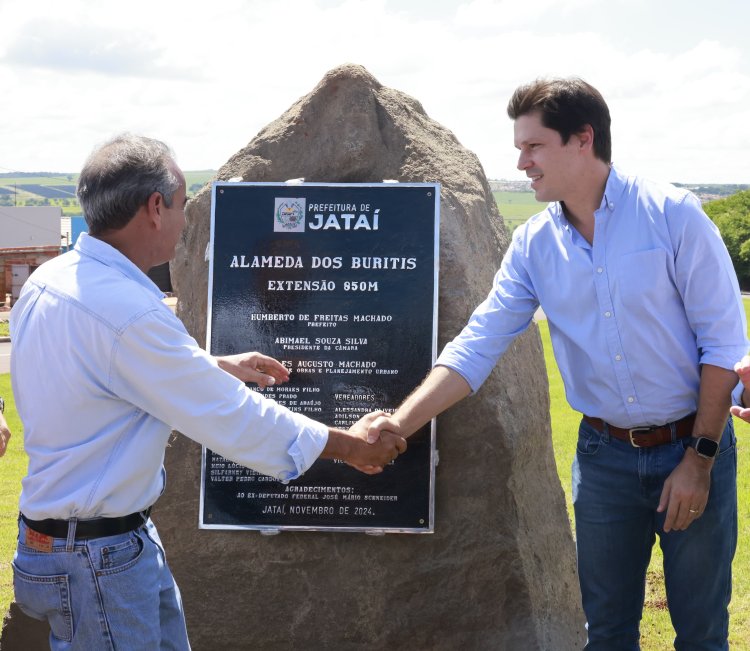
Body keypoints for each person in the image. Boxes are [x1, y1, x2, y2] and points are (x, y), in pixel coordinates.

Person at [368, 78, 746, 650]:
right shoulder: (532, 246)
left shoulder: (674, 216)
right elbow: (478, 343)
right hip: (603, 462)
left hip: (693, 447)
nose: (520, 162)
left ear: (582, 139)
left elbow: (723, 347)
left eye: (533, 146)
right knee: (608, 633)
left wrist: (699, 461)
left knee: (701, 635)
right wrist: (399, 424)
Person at [10, 134, 406, 650]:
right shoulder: (130, 313)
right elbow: (234, 419)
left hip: (76, 544)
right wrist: (352, 447)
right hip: (97, 561)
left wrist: (211, 364)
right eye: (181, 205)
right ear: (155, 208)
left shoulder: (51, 281)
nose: (184, 218)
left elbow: (93, 371)